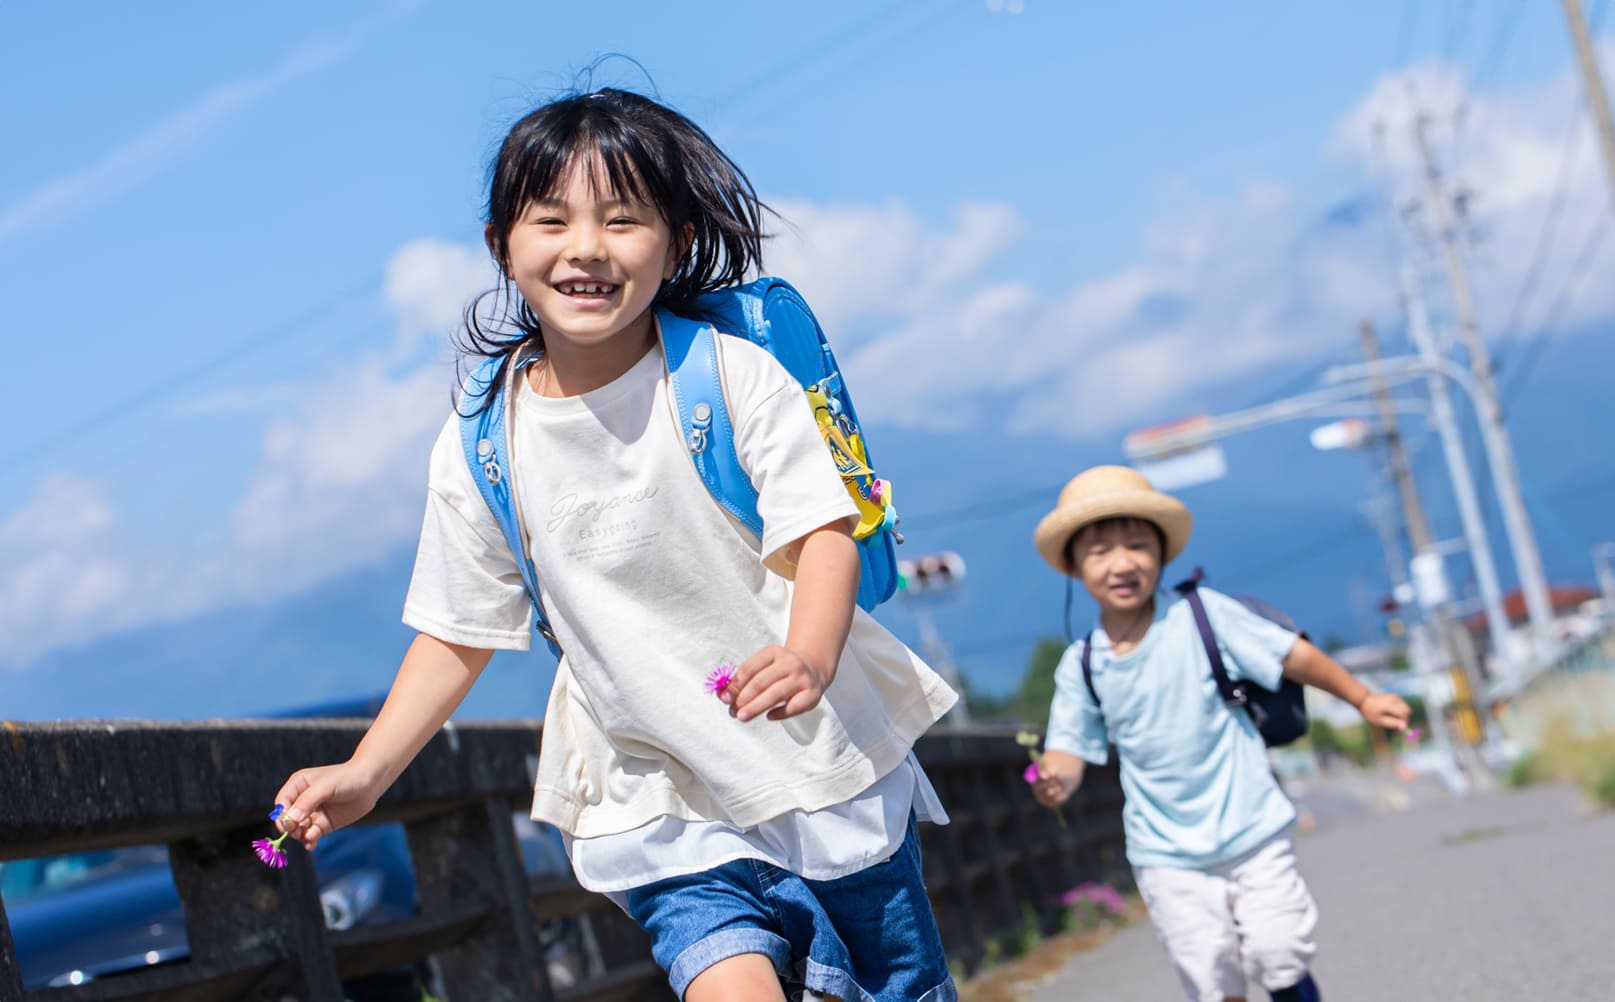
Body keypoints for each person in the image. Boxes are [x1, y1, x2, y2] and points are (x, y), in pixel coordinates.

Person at [269, 88, 959, 1002]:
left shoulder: (728, 378)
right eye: (550, 219)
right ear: (501, 246)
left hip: (821, 769)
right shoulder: (483, 444)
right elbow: (458, 631)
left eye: (622, 219)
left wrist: (808, 653)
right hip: (658, 795)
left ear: (671, 242)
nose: (585, 247)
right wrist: (367, 770)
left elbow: (823, 531)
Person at [1027, 466, 1410, 1002]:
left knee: (1278, 953)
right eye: (1099, 552)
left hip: (1252, 825)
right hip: (1164, 852)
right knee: (1212, 978)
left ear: (1161, 553)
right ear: (1073, 566)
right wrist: (1056, 782)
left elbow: (1290, 653)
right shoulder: (1082, 664)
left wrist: (1364, 698)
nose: (1122, 563)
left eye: (1137, 545)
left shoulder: (1203, 615)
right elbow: (1069, 747)